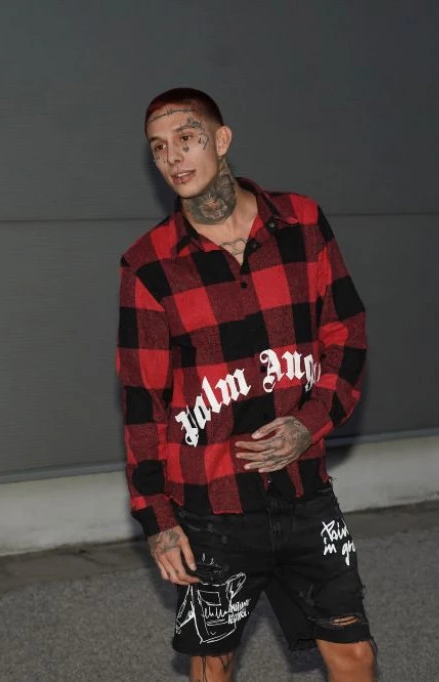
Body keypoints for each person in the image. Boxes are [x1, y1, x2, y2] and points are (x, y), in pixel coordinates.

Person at [117, 87, 374, 682]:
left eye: (187, 139)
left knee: (354, 651)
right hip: (211, 505)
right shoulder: (148, 264)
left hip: (305, 488)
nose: (173, 158)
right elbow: (141, 401)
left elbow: (347, 332)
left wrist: (310, 423)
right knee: (214, 659)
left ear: (221, 139)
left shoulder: (302, 222)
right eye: (159, 148)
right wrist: (158, 520)